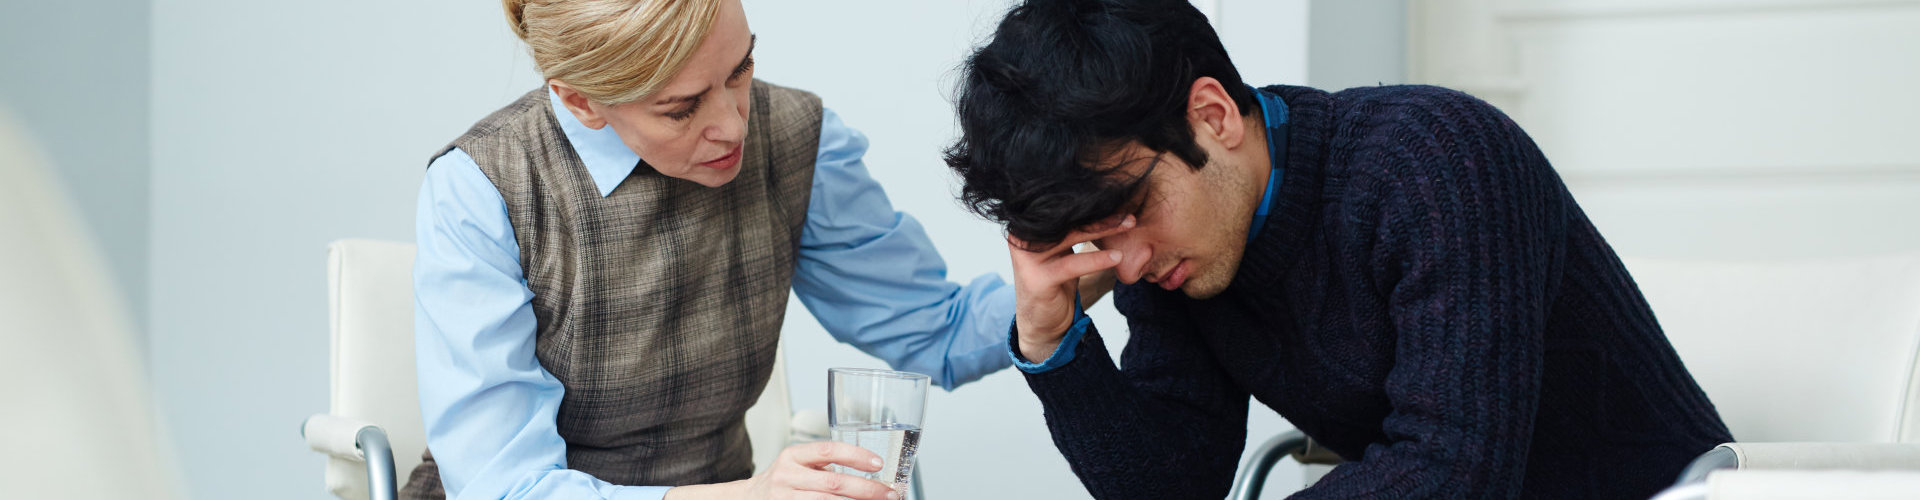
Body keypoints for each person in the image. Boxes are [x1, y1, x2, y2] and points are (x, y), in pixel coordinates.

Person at [942, 1, 1733, 498]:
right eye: (1095, 238)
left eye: (1133, 211)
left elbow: (1452, 469)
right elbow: (1174, 485)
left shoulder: (1435, 159)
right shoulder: (1172, 251)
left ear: (1212, 115)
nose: (1132, 266)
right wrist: (1053, 346)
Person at [407, 1, 1108, 499]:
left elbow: (937, 330)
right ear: (582, 99)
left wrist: (1095, 259)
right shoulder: (483, 189)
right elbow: (505, 488)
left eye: (741, 70)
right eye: (681, 108)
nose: (732, 124)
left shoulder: (798, 138)